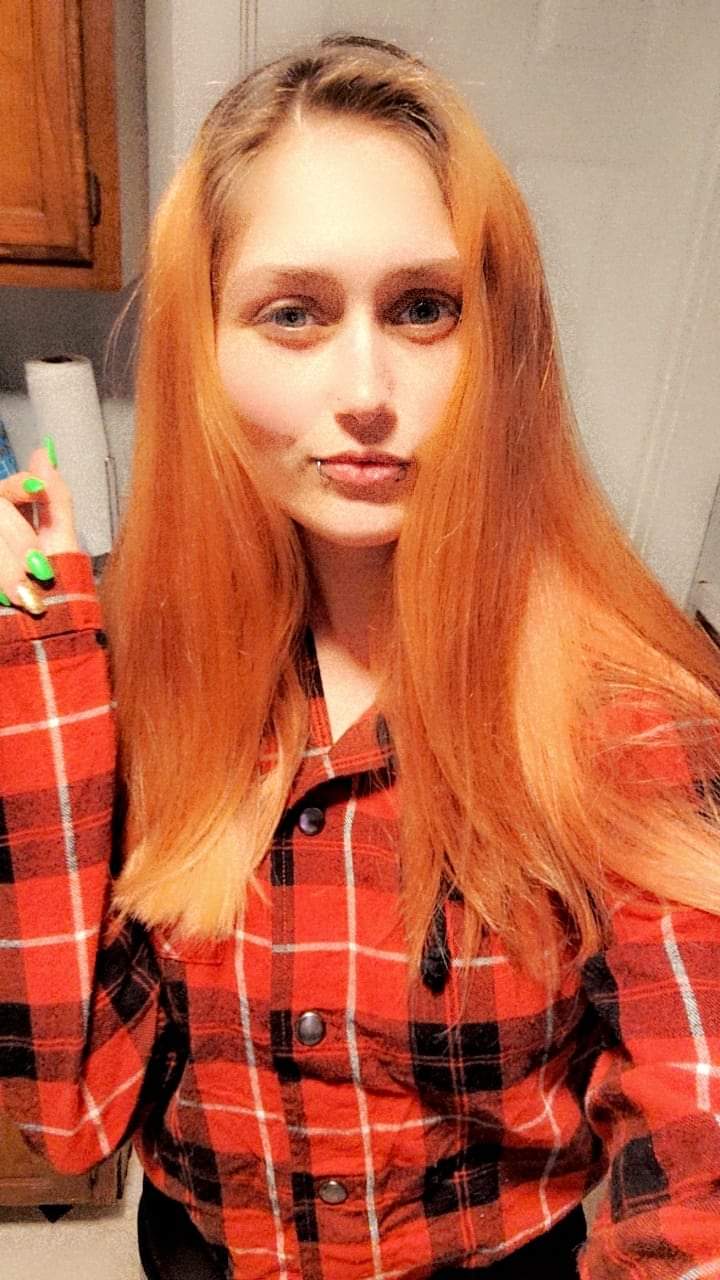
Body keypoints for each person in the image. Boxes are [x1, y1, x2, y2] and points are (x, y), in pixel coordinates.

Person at [2, 32, 720, 1280]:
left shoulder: (625, 710)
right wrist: (36, 667)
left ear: (498, 342)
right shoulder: (128, 668)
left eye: (423, 308)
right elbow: (73, 1113)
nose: (369, 387)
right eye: (293, 313)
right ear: (204, 349)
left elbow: (699, 1142)